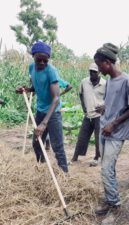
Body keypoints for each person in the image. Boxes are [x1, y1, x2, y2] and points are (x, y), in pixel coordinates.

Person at [93, 43, 129, 216]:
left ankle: (114, 203)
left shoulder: (126, 80)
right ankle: (110, 198)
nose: (98, 70)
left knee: (106, 168)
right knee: (106, 168)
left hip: (115, 132)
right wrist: (104, 108)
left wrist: (114, 123)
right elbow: (114, 103)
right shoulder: (110, 81)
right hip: (105, 128)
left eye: (99, 66)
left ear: (107, 62)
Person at [16, 41, 68, 173]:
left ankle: (65, 176)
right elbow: (35, 87)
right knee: (36, 143)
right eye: (39, 60)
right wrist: (26, 89)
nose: (42, 63)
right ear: (33, 56)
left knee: (57, 147)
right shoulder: (31, 68)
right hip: (40, 111)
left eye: (46, 61)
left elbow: (56, 98)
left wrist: (44, 123)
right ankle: (42, 167)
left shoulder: (51, 71)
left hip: (53, 113)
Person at [70, 63, 106, 167]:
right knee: (82, 136)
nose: (92, 73)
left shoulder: (105, 83)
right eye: (91, 71)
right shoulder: (84, 82)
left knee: (98, 137)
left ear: (99, 72)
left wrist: (105, 107)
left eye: (94, 72)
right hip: (88, 114)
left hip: (99, 116)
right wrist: (83, 107)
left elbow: (109, 98)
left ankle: (97, 157)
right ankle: (75, 157)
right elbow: (81, 94)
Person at [45, 78, 73, 150]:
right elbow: (69, 86)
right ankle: (47, 144)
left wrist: (60, 94)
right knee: (48, 127)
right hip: (47, 108)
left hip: (53, 108)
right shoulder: (55, 79)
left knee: (50, 127)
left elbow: (69, 86)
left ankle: (49, 144)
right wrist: (60, 94)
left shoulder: (55, 80)